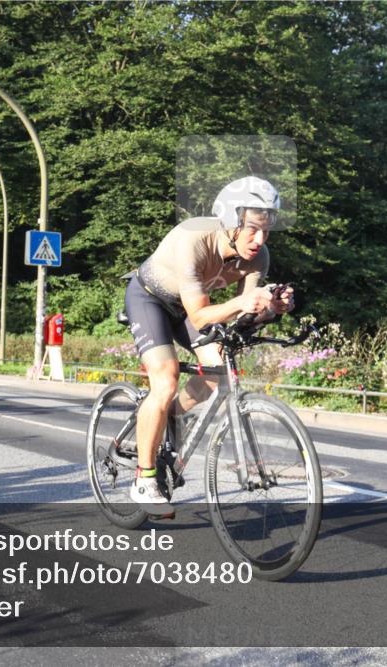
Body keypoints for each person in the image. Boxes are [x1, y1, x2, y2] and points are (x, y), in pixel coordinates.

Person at [124, 176, 295, 514]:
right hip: (150, 299)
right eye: (251, 229)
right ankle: (144, 479)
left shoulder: (257, 259)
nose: (259, 240)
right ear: (230, 220)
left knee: (219, 368)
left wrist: (272, 308)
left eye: (266, 231)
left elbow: (242, 316)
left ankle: (169, 414)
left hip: (193, 306)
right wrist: (247, 301)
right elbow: (202, 317)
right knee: (166, 377)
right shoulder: (194, 238)